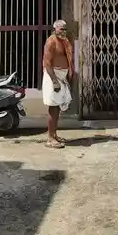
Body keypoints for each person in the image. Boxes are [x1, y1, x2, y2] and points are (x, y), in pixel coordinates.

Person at [42, 19, 73, 148]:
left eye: (65, 29)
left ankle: (54, 134)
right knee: (53, 107)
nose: (63, 31)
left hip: (62, 76)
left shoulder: (64, 40)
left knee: (58, 107)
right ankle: (50, 138)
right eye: (61, 29)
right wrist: (55, 81)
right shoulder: (51, 41)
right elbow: (47, 63)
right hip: (53, 76)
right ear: (55, 29)